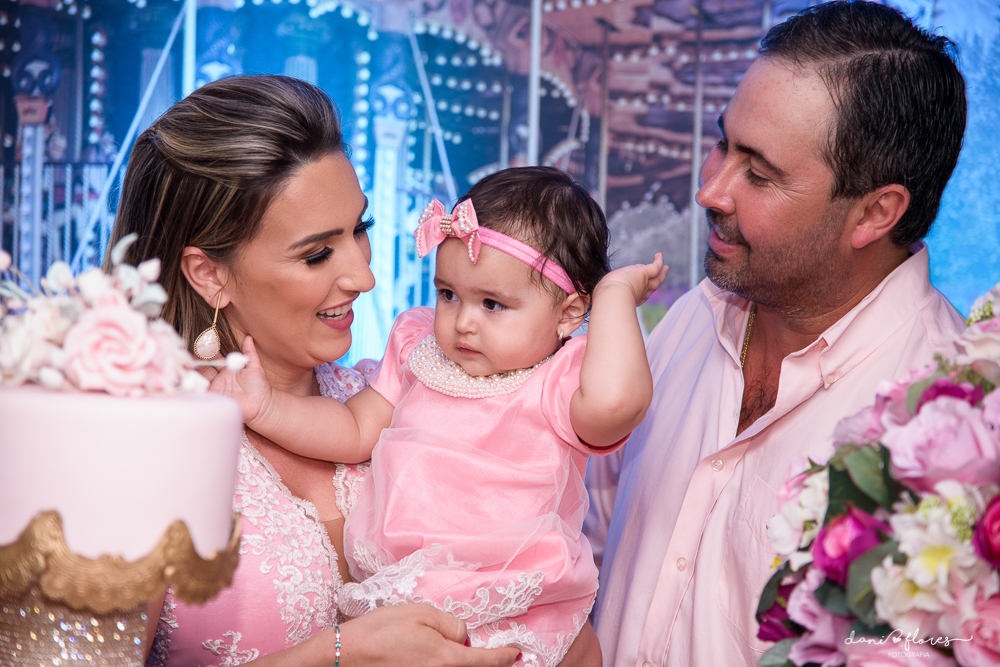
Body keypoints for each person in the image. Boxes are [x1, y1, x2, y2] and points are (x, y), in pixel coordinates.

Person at [108, 74, 546, 667]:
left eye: (360, 229)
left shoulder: (401, 396)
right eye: (316, 254)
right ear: (209, 274)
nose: (364, 276)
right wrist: (336, 656)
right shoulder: (144, 437)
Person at [583, 2, 968, 666]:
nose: (712, 190)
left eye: (759, 174)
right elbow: (588, 538)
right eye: (722, 144)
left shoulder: (945, 427)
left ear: (875, 213)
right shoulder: (695, 316)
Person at [213, 166, 668, 666]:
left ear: (568, 313)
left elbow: (617, 406)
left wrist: (614, 296)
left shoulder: (562, 379)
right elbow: (354, 429)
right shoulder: (419, 348)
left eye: (493, 304)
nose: (463, 321)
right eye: (449, 294)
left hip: (508, 595)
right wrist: (268, 409)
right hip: (408, 591)